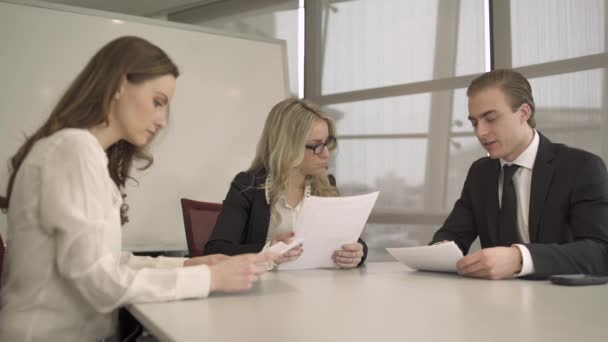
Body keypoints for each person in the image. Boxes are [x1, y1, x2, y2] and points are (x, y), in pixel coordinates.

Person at [0, 36, 276, 341]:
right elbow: (98, 281)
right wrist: (208, 278)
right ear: (119, 85)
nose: (161, 121)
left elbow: (106, 261)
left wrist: (188, 265)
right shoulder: (72, 150)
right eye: (157, 102)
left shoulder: (83, 151)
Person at [431, 69, 608, 280]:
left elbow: (600, 253)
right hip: (494, 303)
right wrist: (439, 252)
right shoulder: (481, 173)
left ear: (524, 113)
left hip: (562, 303)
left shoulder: (581, 167)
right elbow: (453, 235)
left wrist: (519, 258)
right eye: (475, 122)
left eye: (491, 118)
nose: (480, 132)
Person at [204, 98, 368, 268]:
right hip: (261, 290)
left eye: (327, 143)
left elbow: (352, 240)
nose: (326, 153)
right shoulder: (248, 185)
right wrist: (268, 251)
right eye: (316, 145)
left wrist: (357, 252)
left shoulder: (326, 185)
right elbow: (216, 251)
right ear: (287, 146)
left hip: (316, 287)